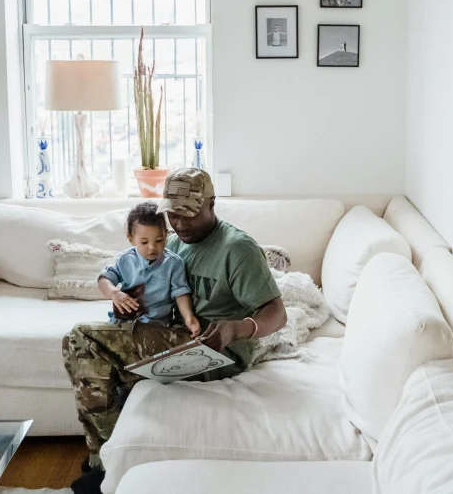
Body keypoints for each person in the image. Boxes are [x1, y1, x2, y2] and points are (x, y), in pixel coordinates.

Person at [63, 168, 288, 494]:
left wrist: (235, 329)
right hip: (169, 335)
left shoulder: (237, 249)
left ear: (212, 203)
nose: (179, 224)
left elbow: (277, 314)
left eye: (189, 214)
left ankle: (103, 465)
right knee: (91, 354)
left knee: (81, 337)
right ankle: (110, 462)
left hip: (212, 351)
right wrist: (131, 302)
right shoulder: (174, 243)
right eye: (172, 214)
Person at [98, 201, 200, 337]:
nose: (152, 247)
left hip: (157, 327)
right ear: (131, 239)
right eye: (144, 242)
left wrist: (189, 317)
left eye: (159, 240)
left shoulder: (174, 263)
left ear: (166, 235)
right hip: (123, 324)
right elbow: (104, 279)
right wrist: (114, 293)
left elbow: (180, 293)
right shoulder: (124, 260)